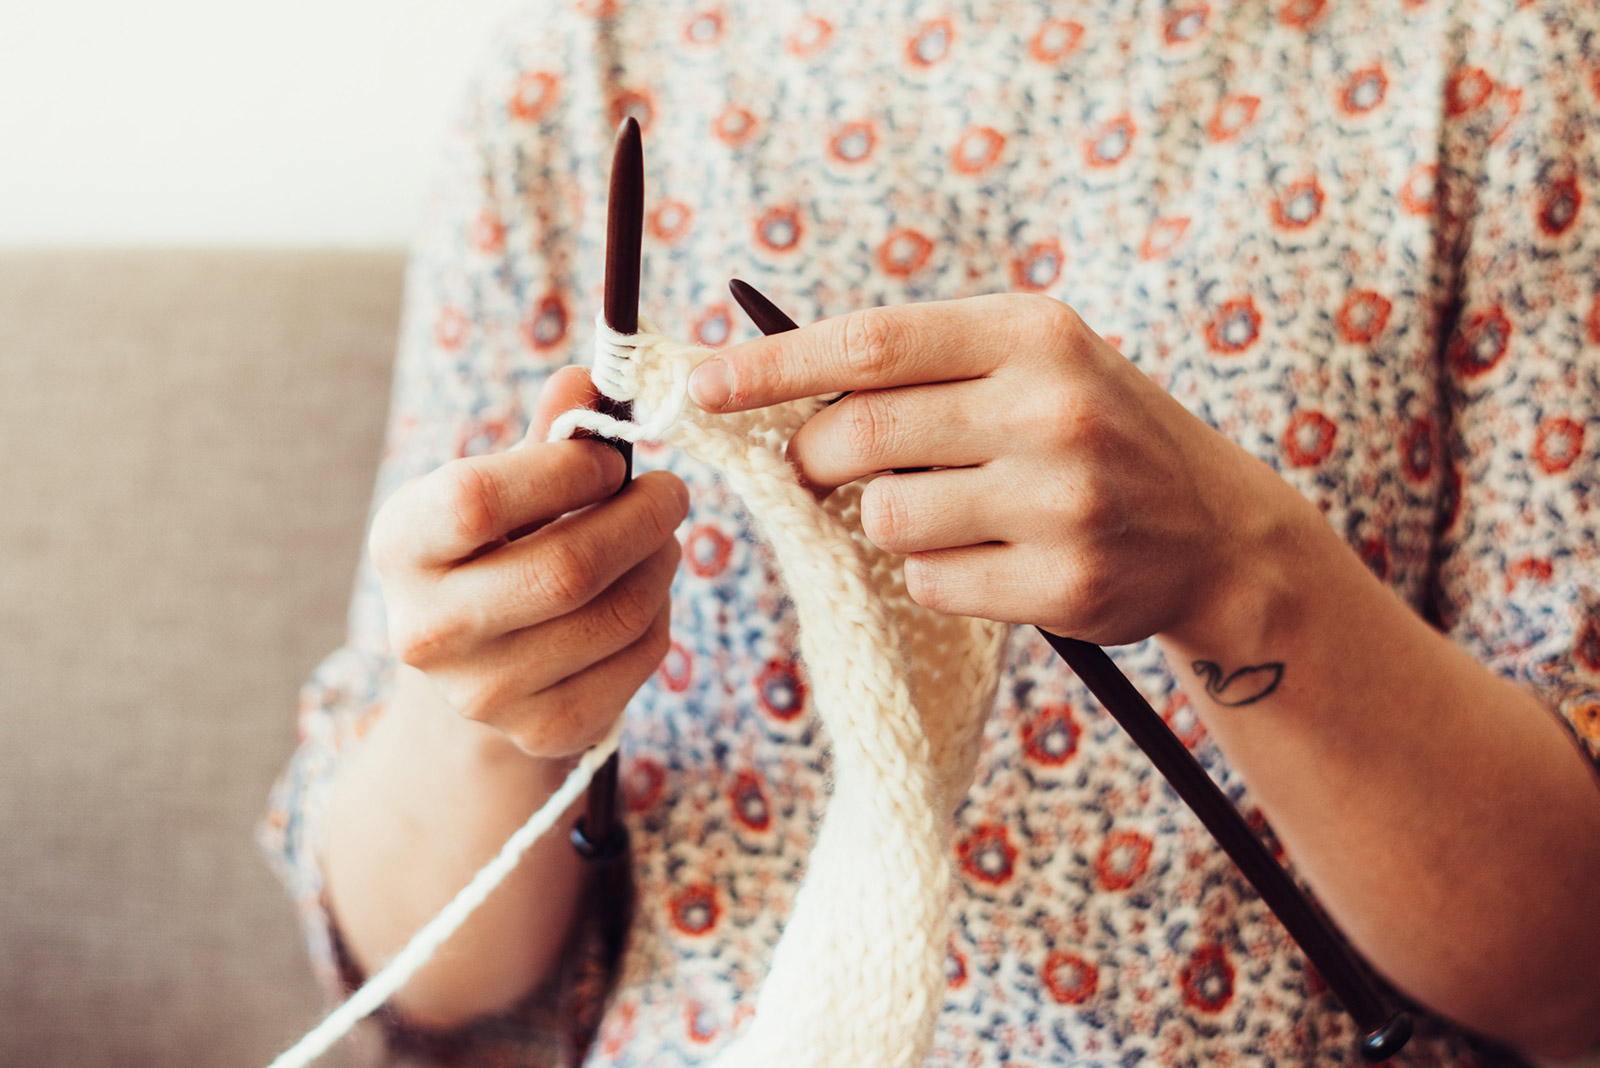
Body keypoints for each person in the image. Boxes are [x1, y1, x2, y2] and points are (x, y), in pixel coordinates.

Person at [260, 0, 1600, 1063]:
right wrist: (493, 686)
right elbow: (420, 970)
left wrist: (1249, 574)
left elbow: (1574, 974)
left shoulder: (1497, 63)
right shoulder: (585, 65)